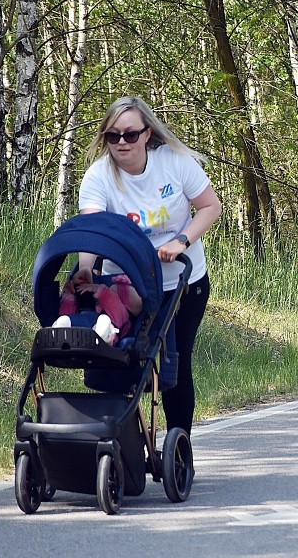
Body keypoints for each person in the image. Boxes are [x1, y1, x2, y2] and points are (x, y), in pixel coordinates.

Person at [75, 96, 222, 434]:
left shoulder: (175, 163)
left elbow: (210, 207)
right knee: (123, 362)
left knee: (174, 365)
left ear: (146, 134)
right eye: (113, 136)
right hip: (126, 288)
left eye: (129, 134)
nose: (122, 142)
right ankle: (120, 444)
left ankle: (178, 445)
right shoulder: (98, 177)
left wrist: (181, 241)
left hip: (182, 283)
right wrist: (85, 273)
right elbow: (93, 232)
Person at [53, 273, 142, 346]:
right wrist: (70, 295)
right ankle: (64, 326)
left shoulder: (123, 317)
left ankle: (102, 335)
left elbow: (112, 302)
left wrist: (101, 290)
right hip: (84, 326)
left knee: (103, 322)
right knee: (76, 319)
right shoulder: (96, 308)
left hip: (108, 330)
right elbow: (71, 308)